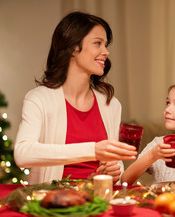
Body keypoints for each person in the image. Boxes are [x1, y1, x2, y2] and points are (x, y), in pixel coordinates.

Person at [14, 11, 137, 184]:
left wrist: (113, 172)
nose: (106, 52)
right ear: (73, 48)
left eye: (106, 45)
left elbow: (113, 168)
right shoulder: (39, 99)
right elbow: (23, 153)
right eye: (98, 44)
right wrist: (93, 150)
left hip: (97, 202)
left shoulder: (111, 104)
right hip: (53, 203)